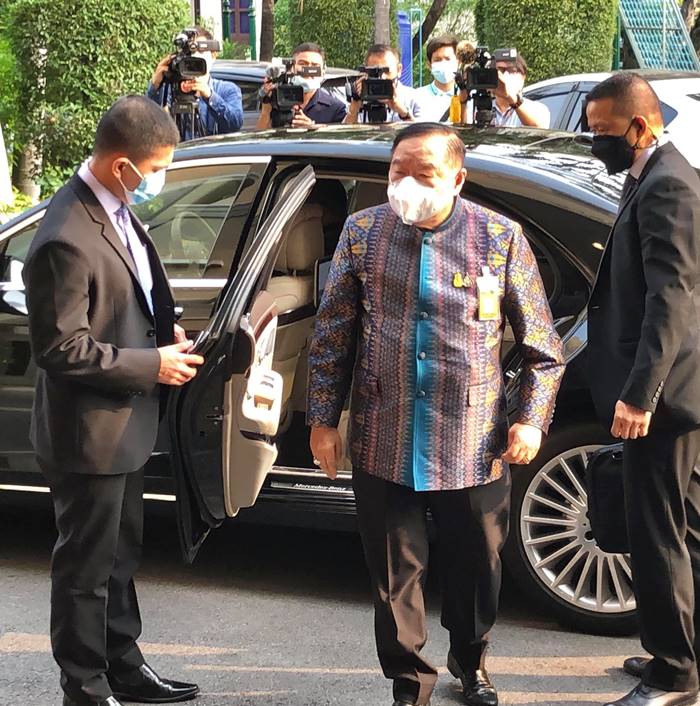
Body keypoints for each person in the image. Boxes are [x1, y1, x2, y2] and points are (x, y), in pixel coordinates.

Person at [307, 122, 565, 706]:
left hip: (472, 440)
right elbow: (332, 335)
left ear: (457, 179)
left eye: (424, 174)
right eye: (398, 172)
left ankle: (470, 663)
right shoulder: (362, 232)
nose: (407, 185)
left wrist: (530, 419)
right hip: (384, 433)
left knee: (478, 564)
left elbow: (543, 347)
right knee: (393, 574)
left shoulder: (498, 237)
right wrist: (322, 421)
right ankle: (409, 682)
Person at [23, 96, 205, 706]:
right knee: (86, 568)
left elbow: (127, 292)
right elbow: (61, 348)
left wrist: (160, 332)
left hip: (124, 424)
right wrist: (152, 364)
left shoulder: (115, 207)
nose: (159, 181)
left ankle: (124, 666)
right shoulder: (66, 234)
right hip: (88, 432)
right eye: (155, 170)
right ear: (122, 164)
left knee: (120, 557)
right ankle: (84, 684)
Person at [586, 73, 700, 706]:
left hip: (666, 395)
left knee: (656, 533)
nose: (594, 142)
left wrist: (640, 396)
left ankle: (673, 674)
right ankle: (684, 650)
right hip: (679, 388)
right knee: (685, 528)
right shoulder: (655, 176)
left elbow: (670, 298)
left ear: (640, 125)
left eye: (603, 131)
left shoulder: (669, 184)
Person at [147, 26, 243, 138]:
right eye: (189, 52)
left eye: (200, 51)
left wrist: (210, 96)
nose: (194, 56)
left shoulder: (227, 90)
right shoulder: (170, 90)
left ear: (213, 56)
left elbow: (235, 124)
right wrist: (155, 86)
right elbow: (148, 124)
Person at [256, 42, 347, 129]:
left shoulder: (336, 108)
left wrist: (312, 127)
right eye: (302, 64)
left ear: (323, 72)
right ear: (292, 68)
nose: (308, 70)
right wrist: (266, 109)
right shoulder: (277, 99)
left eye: (315, 65)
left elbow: (338, 137)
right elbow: (261, 135)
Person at [459, 51, 549, 128]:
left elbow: (540, 127)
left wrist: (511, 98)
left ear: (523, 76)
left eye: (511, 70)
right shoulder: (478, 107)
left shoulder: (537, 109)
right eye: (499, 71)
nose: (504, 76)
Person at [344, 44, 423, 123]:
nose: (382, 77)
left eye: (386, 71)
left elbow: (424, 129)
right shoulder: (360, 96)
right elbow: (346, 130)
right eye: (374, 73)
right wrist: (354, 108)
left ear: (399, 70)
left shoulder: (414, 98)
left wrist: (403, 112)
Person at [415, 34, 459, 122]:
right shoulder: (417, 97)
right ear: (429, 65)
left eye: (448, 59)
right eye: (437, 60)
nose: (443, 63)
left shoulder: (469, 97)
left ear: (458, 62)